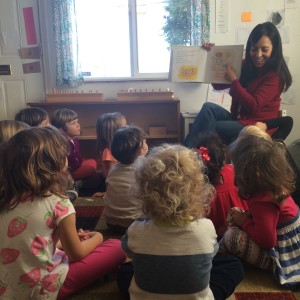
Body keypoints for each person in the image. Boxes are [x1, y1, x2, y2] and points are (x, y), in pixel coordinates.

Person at [0, 126, 126, 299]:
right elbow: (77, 254)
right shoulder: (59, 203)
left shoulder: (5, 198)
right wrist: (98, 238)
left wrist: (59, 244)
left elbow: (24, 242)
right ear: (53, 162)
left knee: (73, 241)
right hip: (42, 289)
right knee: (117, 246)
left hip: (5, 288)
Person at [120, 144, 244, 300]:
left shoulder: (136, 229)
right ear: (197, 191)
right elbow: (210, 256)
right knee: (233, 265)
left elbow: (128, 251)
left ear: (145, 193)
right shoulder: (206, 228)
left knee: (125, 271)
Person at [185, 21, 293, 147]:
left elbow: (253, 105)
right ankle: (186, 153)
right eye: (254, 49)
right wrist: (212, 55)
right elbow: (217, 85)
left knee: (210, 126)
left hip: (256, 128)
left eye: (264, 50)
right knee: (208, 108)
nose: (258, 55)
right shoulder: (246, 64)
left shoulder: (275, 76)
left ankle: (189, 156)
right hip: (238, 119)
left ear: (274, 49)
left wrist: (234, 81)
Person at [219, 134, 300, 288]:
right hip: (285, 241)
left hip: (284, 256)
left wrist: (244, 222)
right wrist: (245, 219)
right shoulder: (272, 184)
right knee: (235, 212)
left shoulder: (263, 201)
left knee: (232, 238)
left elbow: (267, 240)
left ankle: (218, 259)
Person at [196, 132, 248, 239]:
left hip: (211, 237)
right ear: (223, 156)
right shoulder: (235, 173)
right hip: (242, 232)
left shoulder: (195, 186)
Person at [103, 125, 148, 234]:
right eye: (145, 141)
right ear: (141, 150)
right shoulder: (145, 165)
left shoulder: (114, 168)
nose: (147, 144)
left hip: (111, 222)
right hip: (136, 224)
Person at [51, 108, 98, 182]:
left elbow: (78, 158)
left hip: (77, 167)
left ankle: (91, 180)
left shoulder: (74, 139)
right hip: (68, 173)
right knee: (91, 167)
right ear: (61, 128)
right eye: (73, 123)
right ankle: (78, 183)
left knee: (93, 162)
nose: (78, 125)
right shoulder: (62, 142)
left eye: (77, 121)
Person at [96, 112, 127, 179]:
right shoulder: (108, 152)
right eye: (124, 127)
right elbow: (108, 176)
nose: (127, 129)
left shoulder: (121, 147)